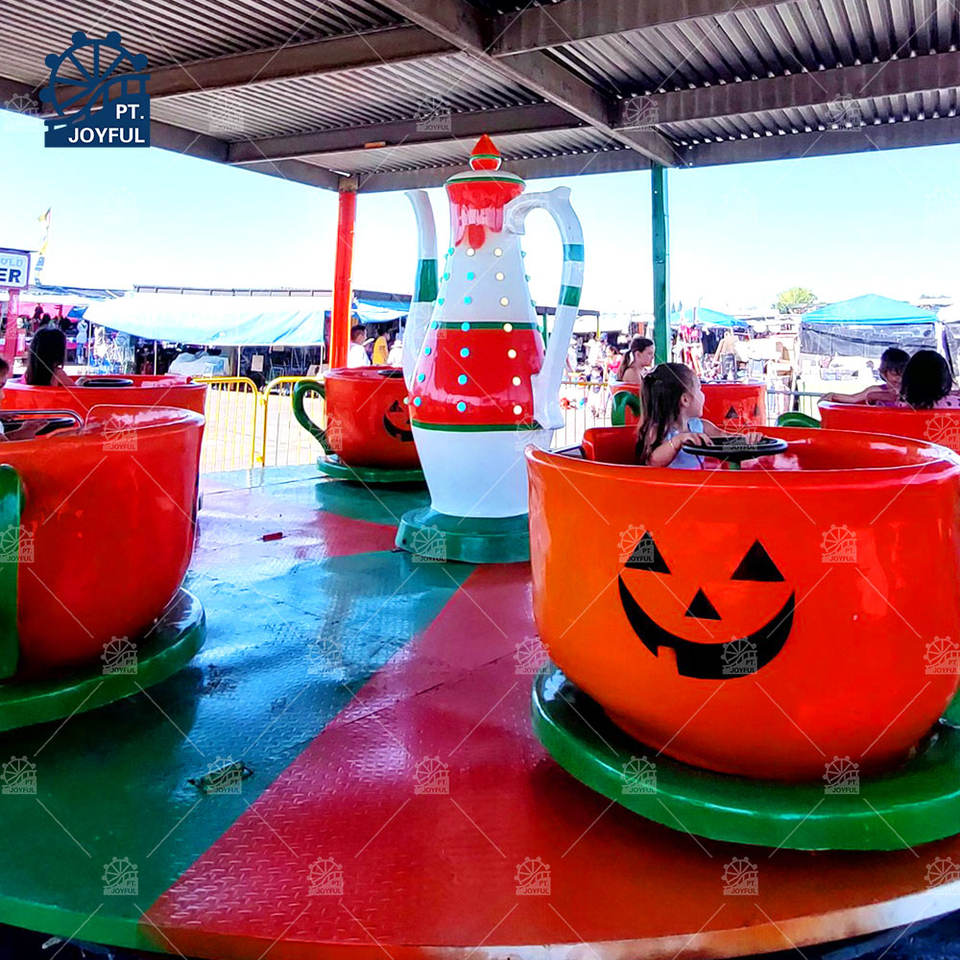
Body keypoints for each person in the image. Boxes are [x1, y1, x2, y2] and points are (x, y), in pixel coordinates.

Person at [635, 363, 759, 468]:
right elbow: (652, 461)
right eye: (699, 389)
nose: (703, 395)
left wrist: (748, 440)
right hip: (671, 486)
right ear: (685, 400)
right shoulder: (658, 430)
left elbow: (727, 439)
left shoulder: (702, 426)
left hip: (697, 483)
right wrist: (677, 442)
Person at [821, 347, 908, 406]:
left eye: (904, 375)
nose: (900, 379)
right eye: (895, 374)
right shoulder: (875, 390)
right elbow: (853, 398)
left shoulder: (910, 391)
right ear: (883, 373)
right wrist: (833, 395)